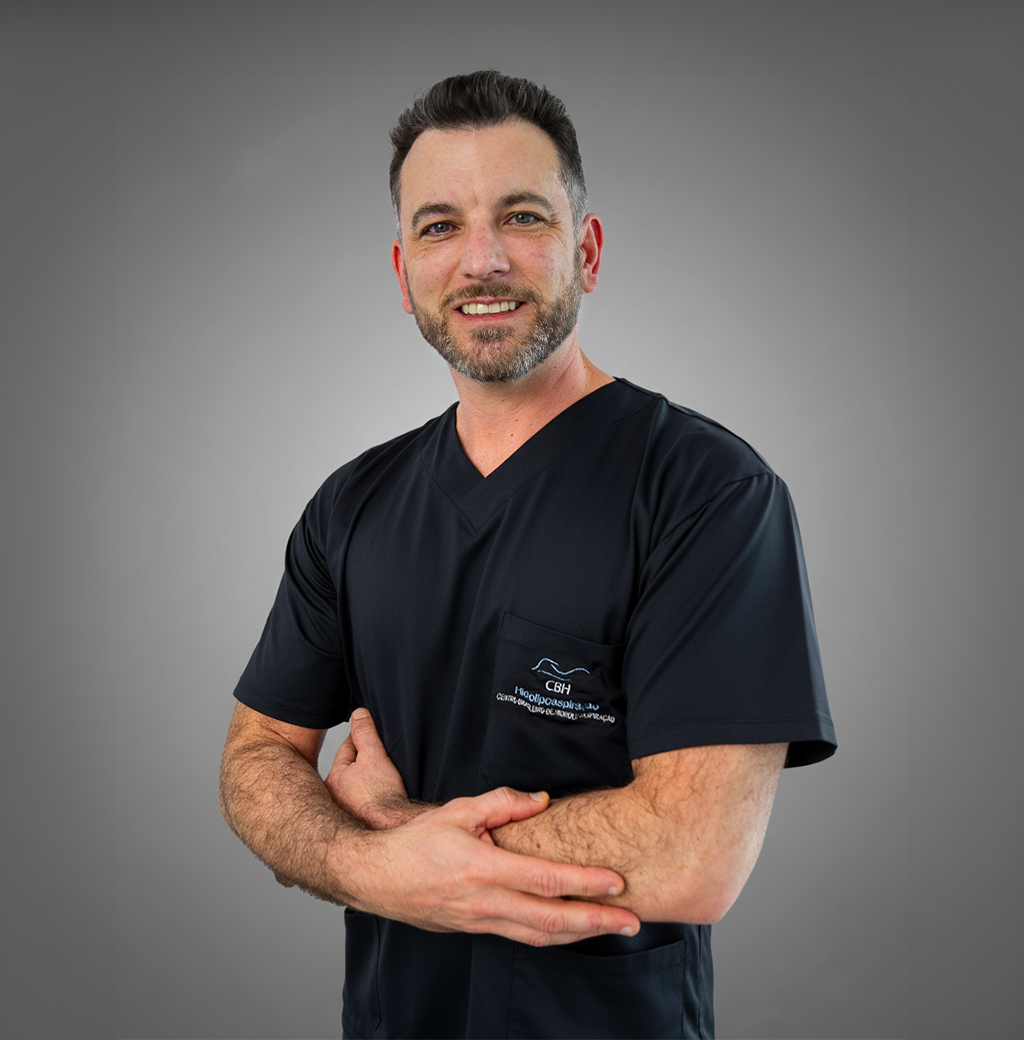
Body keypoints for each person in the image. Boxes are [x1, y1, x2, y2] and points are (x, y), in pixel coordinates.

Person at [219, 70, 836, 1040]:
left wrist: (395, 836)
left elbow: (694, 851)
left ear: (585, 250)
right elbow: (257, 756)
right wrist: (364, 865)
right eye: (440, 226)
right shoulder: (353, 505)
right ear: (403, 273)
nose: (483, 259)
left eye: (522, 216)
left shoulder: (706, 494)